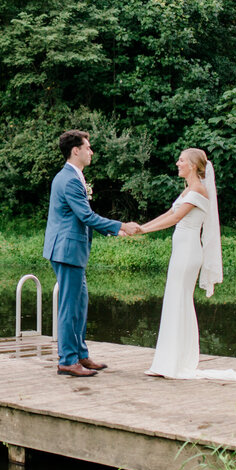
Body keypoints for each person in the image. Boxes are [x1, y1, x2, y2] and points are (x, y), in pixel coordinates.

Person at [139, 148, 236, 381]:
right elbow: (169, 212)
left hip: (188, 253)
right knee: (175, 300)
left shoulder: (198, 189)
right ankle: (169, 361)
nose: (177, 163)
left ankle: (175, 363)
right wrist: (141, 227)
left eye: (182, 160)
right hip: (182, 251)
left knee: (179, 301)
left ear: (194, 166)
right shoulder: (188, 189)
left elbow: (175, 219)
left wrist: (142, 230)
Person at [43, 130, 141, 377]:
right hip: (67, 250)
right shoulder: (69, 179)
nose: (91, 151)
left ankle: (81, 355)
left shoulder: (73, 177)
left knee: (80, 304)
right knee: (69, 306)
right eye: (88, 147)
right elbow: (86, 216)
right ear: (75, 150)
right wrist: (120, 227)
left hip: (71, 250)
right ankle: (67, 360)